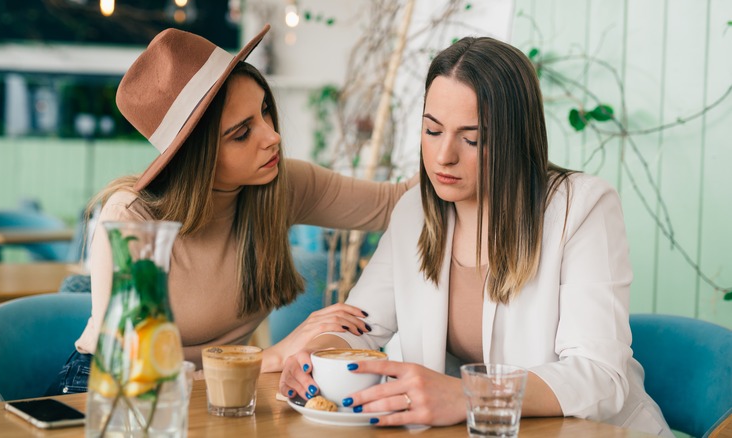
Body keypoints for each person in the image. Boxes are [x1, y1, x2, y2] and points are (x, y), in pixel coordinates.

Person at [279, 36, 672, 436]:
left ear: (515, 139)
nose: (443, 156)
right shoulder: (414, 211)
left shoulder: (582, 207)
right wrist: (320, 353)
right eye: (432, 131)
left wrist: (467, 395)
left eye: (472, 139)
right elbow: (361, 325)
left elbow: (600, 376)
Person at [49, 25, 415, 395]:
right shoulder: (133, 216)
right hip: (112, 392)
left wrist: (463, 145)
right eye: (241, 133)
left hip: (224, 390)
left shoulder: (281, 186)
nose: (272, 137)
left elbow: (398, 201)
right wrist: (268, 357)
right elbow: (137, 368)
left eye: (265, 111)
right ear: (197, 156)